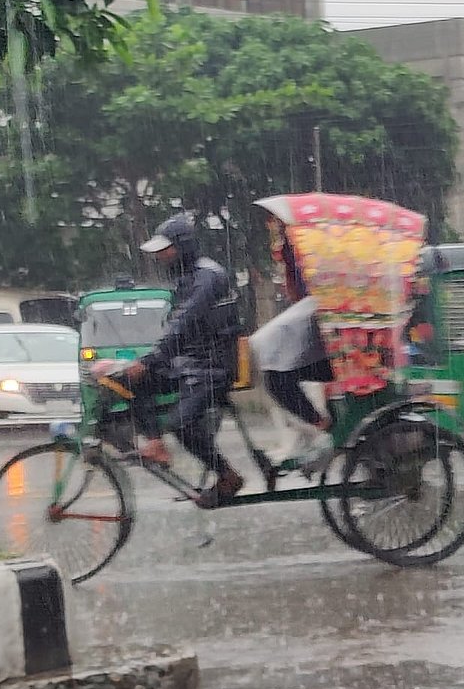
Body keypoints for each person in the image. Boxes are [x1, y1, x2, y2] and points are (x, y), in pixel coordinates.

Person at [121, 214, 244, 509]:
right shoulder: (186, 278)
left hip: (213, 368)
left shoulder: (207, 277)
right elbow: (175, 327)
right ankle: (155, 444)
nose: (160, 257)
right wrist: (148, 363)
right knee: (130, 380)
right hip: (187, 363)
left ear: (183, 247)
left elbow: (183, 324)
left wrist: (150, 359)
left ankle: (227, 476)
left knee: (181, 424)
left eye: (166, 251)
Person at [250, 226, 336, 471]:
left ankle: (321, 427)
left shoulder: (316, 251)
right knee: (276, 378)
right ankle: (318, 428)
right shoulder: (297, 252)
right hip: (315, 332)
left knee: (279, 379)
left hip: (333, 338)